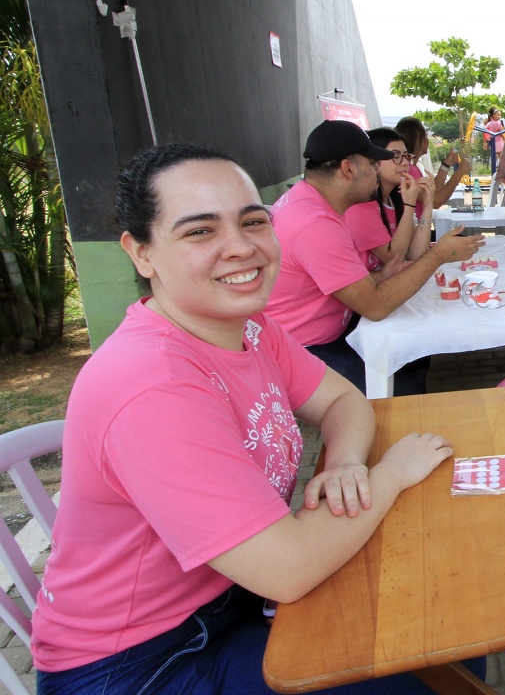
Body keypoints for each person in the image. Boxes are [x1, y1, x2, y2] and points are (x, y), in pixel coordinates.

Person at [31, 143, 480, 694]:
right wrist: (387, 473)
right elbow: (287, 568)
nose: (240, 248)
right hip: (142, 663)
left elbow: (345, 402)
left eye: (252, 222)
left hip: (229, 596)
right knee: (436, 665)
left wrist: (343, 464)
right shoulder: (151, 384)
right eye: (200, 231)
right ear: (142, 253)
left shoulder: (248, 327)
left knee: (447, 636)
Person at [265, 120, 483, 394]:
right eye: (372, 164)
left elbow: (331, 277)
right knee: (404, 386)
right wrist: (437, 255)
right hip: (303, 349)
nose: (376, 171)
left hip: (321, 331)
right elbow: (375, 306)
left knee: (413, 350)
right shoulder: (314, 223)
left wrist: (381, 275)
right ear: (348, 169)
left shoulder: (311, 201)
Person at [344, 127, 434, 271]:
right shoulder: (359, 207)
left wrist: (428, 205)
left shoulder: (395, 200)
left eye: (406, 156)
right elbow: (394, 258)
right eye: (395, 156)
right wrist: (410, 206)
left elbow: (416, 255)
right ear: (372, 160)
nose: (405, 163)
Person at [394, 116, 469, 211]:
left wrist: (445, 165)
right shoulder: (408, 169)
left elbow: (432, 190)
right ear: (418, 140)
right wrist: (459, 172)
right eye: (425, 136)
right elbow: (434, 201)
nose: (427, 140)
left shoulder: (411, 166)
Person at [484, 106, 505, 175]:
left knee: (494, 156)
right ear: (493, 115)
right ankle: (501, 169)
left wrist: (485, 141)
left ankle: (495, 167)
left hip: (492, 142)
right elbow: (500, 133)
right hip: (499, 142)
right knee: (501, 156)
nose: (500, 117)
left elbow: (485, 131)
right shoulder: (498, 123)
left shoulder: (489, 123)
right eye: (498, 115)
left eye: (500, 115)